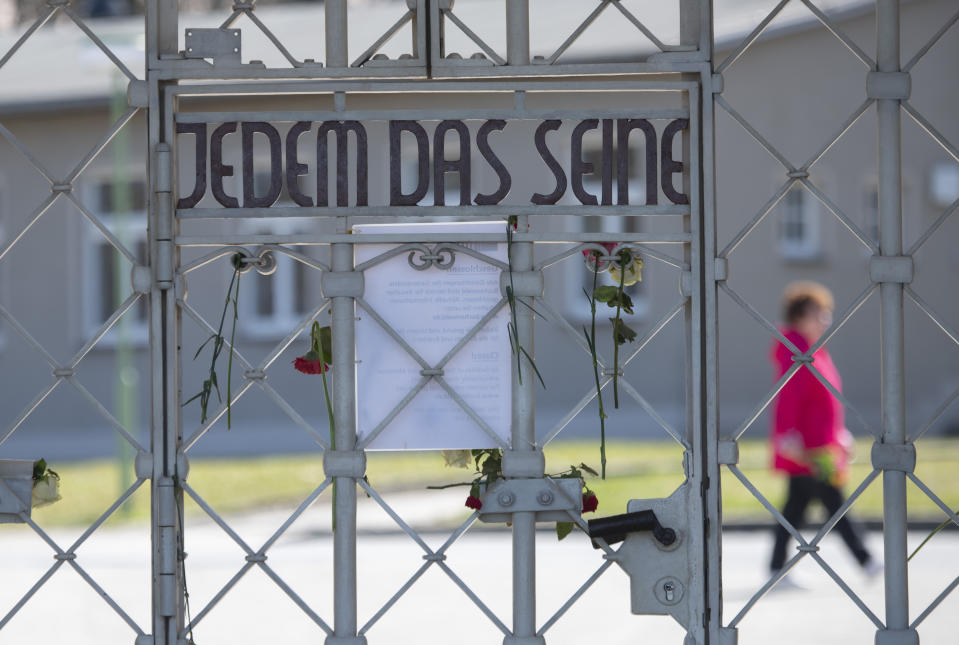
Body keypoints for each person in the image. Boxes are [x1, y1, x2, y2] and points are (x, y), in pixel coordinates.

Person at [768, 281, 880, 587]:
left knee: (796, 509)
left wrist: (840, 434)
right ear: (801, 315)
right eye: (820, 313)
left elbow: (827, 401)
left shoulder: (815, 350)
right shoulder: (796, 351)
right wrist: (788, 436)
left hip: (821, 444)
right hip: (809, 449)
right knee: (835, 505)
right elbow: (790, 397)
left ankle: (776, 569)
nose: (826, 320)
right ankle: (867, 561)